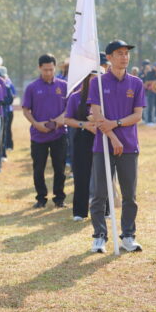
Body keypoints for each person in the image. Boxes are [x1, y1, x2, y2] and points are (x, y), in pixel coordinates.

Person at [88, 40, 145, 254]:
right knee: (100, 193)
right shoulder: (98, 83)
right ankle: (99, 236)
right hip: (103, 145)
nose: (124, 57)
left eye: (126, 53)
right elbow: (96, 115)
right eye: (119, 53)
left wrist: (117, 123)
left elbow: (138, 115)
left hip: (129, 146)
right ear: (109, 57)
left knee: (129, 194)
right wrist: (112, 136)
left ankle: (128, 236)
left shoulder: (136, 83)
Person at [22, 54, 68, 209]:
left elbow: (69, 108)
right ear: (39, 68)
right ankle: (41, 198)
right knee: (38, 168)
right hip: (38, 135)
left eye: (51, 69)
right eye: (45, 69)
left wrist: (58, 121)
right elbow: (26, 109)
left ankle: (59, 198)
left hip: (59, 134)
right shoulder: (32, 87)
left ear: (55, 68)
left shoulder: (63, 86)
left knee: (60, 168)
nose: (48, 72)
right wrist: (35, 124)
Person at [64, 71, 99, 222]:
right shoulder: (75, 97)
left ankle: (104, 209)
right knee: (81, 175)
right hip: (81, 139)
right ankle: (80, 211)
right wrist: (84, 124)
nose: (95, 82)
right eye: (92, 79)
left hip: (101, 139)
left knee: (101, 176)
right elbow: (67, 119)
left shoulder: (104, 97)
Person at [0, 66, 16, 155]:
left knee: (6, 131)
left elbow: (12, 96)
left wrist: (2, 101)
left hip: (7, 111)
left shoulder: (8, 84)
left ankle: (8, 147)